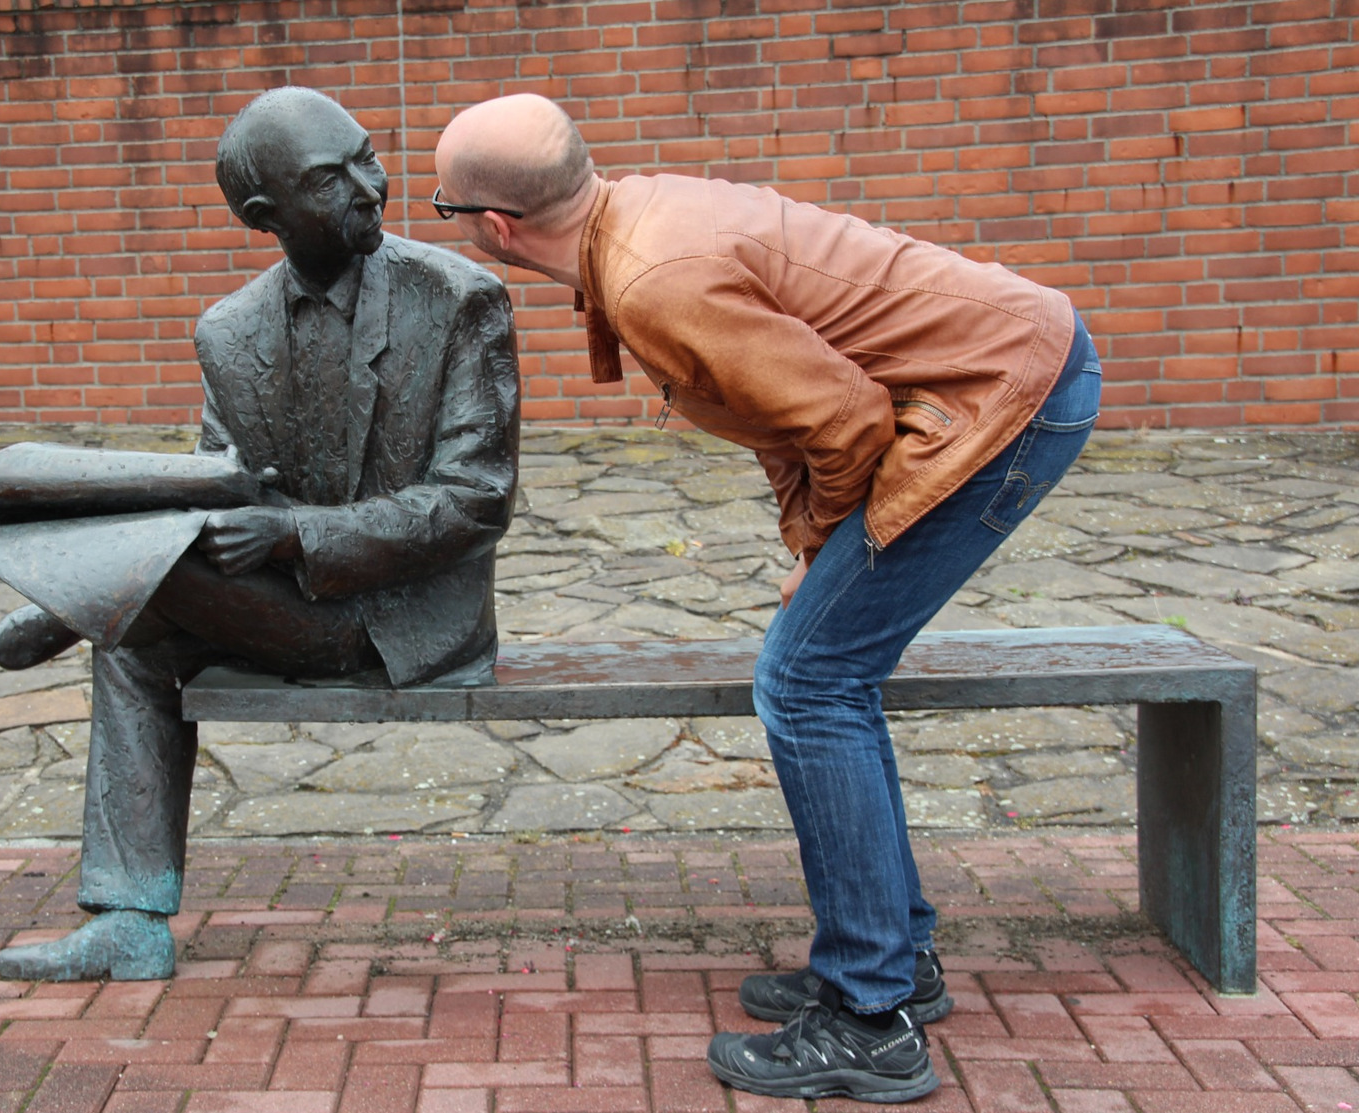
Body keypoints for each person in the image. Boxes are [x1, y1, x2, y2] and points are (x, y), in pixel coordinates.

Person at [433, 94, 1101, 1104]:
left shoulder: (657, 280)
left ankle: (871, 1022)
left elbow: (844, 422)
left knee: (808, 681)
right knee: (822, 669)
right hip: (994, 375)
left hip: (1000, 398)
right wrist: (812, 543)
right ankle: (887, 964)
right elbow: (785, 413)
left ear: (495, 227)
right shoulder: (637, 215)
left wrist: (825, 539)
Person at [0, 87, 520, 982]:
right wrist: (234, 517)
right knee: (134, 624)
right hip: (287, 605)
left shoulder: (460, 299)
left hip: (404, 619)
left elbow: (475, 499)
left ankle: (65, 601)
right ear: (265, 216)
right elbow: (214, 486)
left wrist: (292, 533)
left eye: (368, 154)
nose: (370, 185)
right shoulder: (229, 334)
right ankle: (128, 920)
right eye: (330, 177)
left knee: (123, 602)